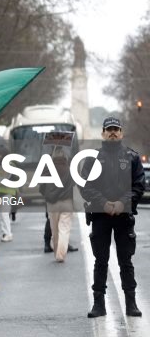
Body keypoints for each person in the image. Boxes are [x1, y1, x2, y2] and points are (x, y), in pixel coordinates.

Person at [81, 117, 144, 318]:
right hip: (100, 216)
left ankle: (131, 303)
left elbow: (138, 186)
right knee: (101, 260)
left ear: (121, 133)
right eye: (109, 129)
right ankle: (99, 304)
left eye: (116, 129)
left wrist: (121, 203)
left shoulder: (132, 157)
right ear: (103, 133)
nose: (113, 132)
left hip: (123, 216)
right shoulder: (93, 159)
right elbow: (85, 186)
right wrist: (104, 204)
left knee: (126, 261)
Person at [39, 148, 75, 262]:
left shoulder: (48, 168)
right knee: (64, 229)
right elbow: (74, 183)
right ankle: (61, 254)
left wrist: (46, 194)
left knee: (54, 230)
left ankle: (56, 253)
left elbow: (42, 185)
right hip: (66, 202)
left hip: (52, 203)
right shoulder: (70, 169)